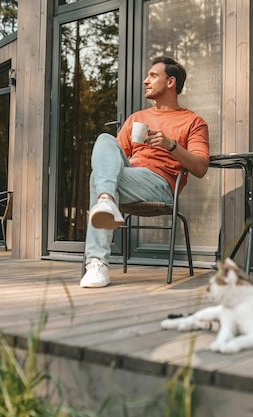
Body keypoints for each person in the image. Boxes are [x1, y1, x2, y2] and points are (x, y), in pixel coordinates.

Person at [80, 56, 210, 288]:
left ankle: (97, 263)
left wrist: (171, 145)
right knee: (104, 140)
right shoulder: (137, 118)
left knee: (97, 180)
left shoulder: (193, 121)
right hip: (130, 178)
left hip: (160, 185)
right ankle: (107, 201)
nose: (145, 81)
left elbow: (200, 168)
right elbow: (109, 158)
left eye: (152, 76)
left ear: (171, 82)